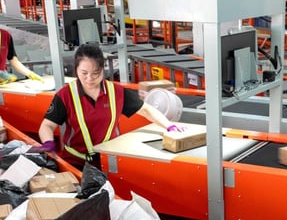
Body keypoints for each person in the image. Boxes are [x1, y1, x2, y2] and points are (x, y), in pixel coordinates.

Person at [36, 43, 182, 169]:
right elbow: (47, 126)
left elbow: (146, 110)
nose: (89, 78)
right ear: (76, 70)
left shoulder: (116, 92)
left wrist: (169, 126)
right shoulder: (65, 95)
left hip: (109, 161)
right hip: (75, 162)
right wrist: (48, 143)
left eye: (95, 73)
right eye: (84, 73)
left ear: (102, 69)